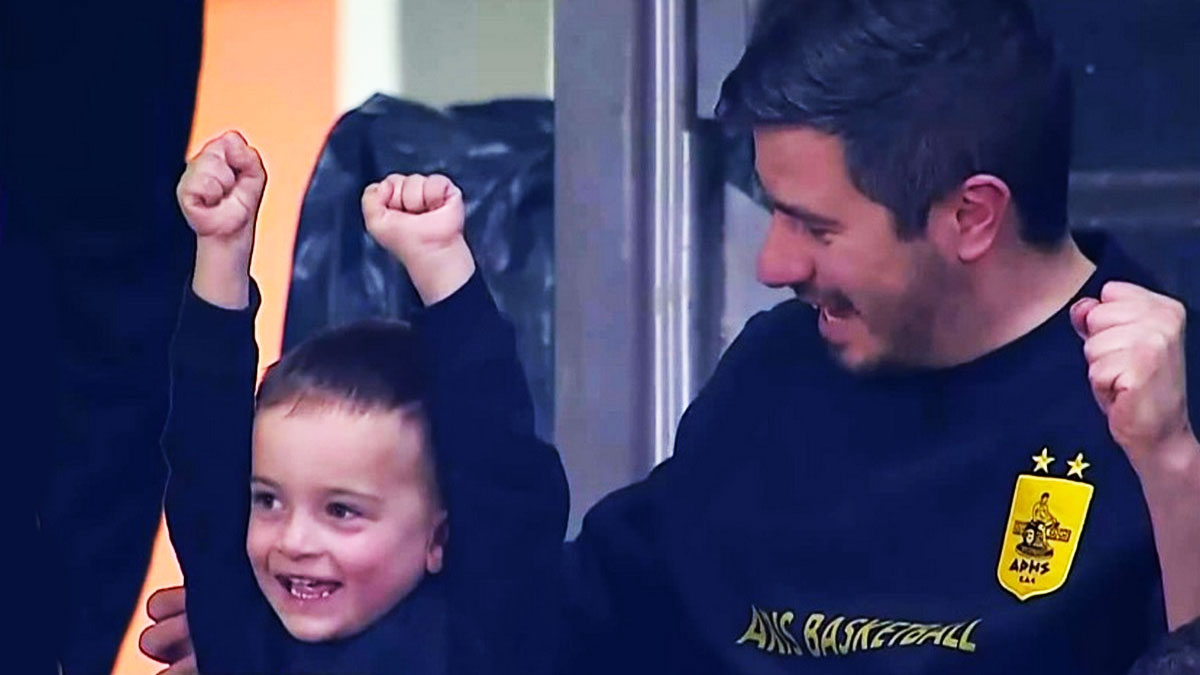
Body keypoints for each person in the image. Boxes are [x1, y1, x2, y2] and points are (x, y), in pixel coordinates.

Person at [142, 1, 1200, 673]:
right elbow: (573, 613)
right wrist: (331, 629)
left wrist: (1172, 469)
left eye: (816, 226)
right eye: (774, 213)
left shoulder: (1154, 410)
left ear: (971, 215)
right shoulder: (781, 372)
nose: (773, 264)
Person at [157, 129, 567, 673]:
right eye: (268, 500)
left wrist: (440, 261)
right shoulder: (237, 624)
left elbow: (499, 466)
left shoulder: (477, 640)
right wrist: (221, 249)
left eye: (341, 510)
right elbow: (204, 446)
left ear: (439, 537)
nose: (294, 541)